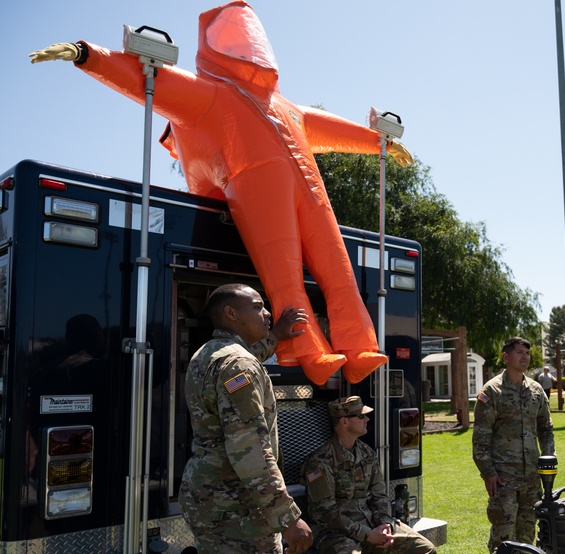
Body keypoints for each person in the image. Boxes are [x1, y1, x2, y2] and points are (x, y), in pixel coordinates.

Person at [29, 2, 413, 385]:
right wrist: (87, 54)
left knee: (338, 270)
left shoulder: (284, 107)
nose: (250, 48)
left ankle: (359, 346)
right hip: (259, 186)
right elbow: (150, 79)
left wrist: (377, 141)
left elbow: (332, 129)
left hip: (308, 188)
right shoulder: (213, 94)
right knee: (286, 276)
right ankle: (307, 350)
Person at [180, 283, 314, 554]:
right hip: (240, 510)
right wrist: (286, 516)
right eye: (258, 307)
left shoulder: (206, 355)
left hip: (208, 503)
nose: (267, 313)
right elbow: (249, 450)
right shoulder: (237, 364)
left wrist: (276, 337)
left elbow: (245, 359)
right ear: (231, 314)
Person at [300, 396, 437, 554]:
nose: (367, 419)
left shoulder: (366, 453)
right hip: (334, 534)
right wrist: (367, 535)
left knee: (425, 551)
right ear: (344, 421)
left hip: (371, 525)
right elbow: (326, 514)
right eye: (361, 415)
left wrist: (384, 524)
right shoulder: (320, 462)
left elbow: (379, 495)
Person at [472, 337, 555, 554]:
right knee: (503, 534)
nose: (525, 357)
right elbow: (480, 437)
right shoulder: (492, 391)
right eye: (519, 352)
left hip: (531, 477)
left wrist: (548, 461)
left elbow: (546, 429)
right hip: (503, 477)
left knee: (527, 533)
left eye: (527, 353)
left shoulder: (537, 390)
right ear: (505, 357)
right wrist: (488, 472)